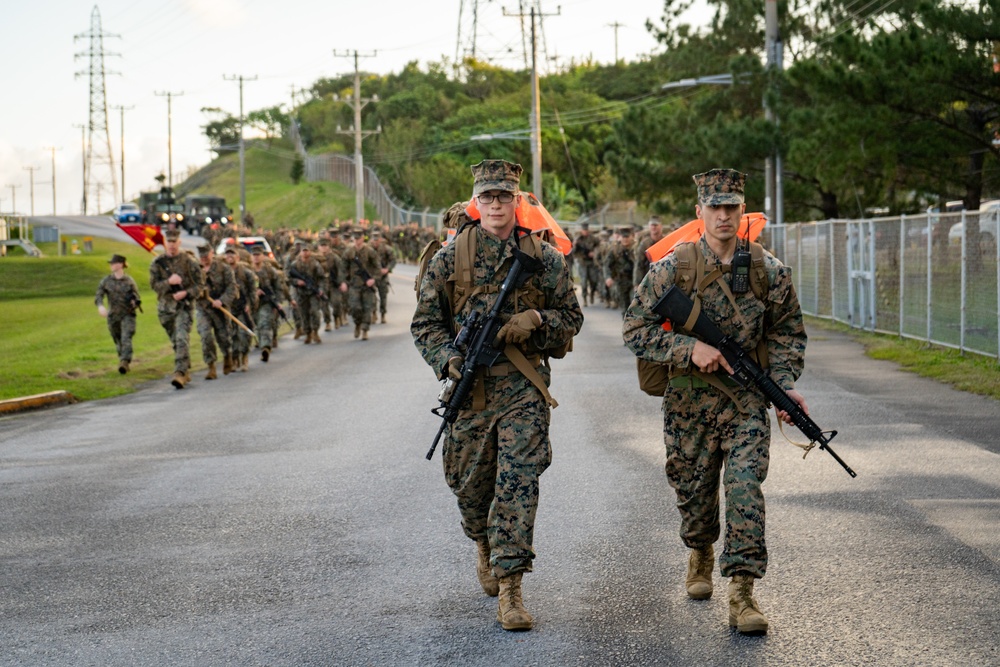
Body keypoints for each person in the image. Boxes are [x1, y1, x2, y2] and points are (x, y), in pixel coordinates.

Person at [623, 168, 807, 635]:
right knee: (694, 496)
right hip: (688, 405)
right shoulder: (674, 267)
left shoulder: (768, 270)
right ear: (699, 211)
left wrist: (783, 384)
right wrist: (689, 349)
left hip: (746, 403)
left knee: (745, 489)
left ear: (742, 211)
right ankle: (700, 549)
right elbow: (634, 328)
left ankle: (743, 594)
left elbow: (787, 333)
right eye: (715, 207)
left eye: (732, 207)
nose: (723, 215)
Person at [411, 159, 583, 632]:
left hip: (524, 387)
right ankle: (482, 542)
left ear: (517, 200)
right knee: (469, 488)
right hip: (470, 389)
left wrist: (539, 322)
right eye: (486, 197)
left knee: (518, 483)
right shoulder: (449, 257)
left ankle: (511, 589)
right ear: (476, 202)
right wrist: (447, 359)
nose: (495, 204)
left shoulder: (543, 258)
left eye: (503, 196)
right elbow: (424, 323)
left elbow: (571, 318)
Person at [149, 229, 204, 389]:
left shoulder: (189, 262)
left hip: (183, 308)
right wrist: (169, 282)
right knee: (176, 341)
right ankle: (185, 367)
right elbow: (154, 286)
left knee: (181, 339)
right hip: (165, 309)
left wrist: (185, 293)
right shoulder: (157, 263)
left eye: (175, 242)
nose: (172, 246)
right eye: (169, 242)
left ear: (179, 243)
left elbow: (200, 286)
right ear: (165, 243)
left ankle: (179, 373)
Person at [95, 253, 142, 374]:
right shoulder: (106, 280)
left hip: (128, 315)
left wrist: (134, 302)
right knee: (118, 339)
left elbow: (137, 298)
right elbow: (99, 294)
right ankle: (122, 357)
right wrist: (100, 306)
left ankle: (124, 362)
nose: (111, 265)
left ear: (121, 265)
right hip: (113, 316)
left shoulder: (129, 281)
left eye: (114, 263)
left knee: (126, 337)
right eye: (111, 263)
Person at [196, 244, 238, 378]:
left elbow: (232, 288)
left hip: (220, 309)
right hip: (203, 309)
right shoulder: (195, 270)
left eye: (206, 256)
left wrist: (222, 300)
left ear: (212, 253)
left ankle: (227, 356)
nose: (204, 259)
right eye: (201, 257)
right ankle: (211, 366)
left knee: (224, 338)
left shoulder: (223, 268)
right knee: (205, 335)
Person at [224, 246, 258, 372]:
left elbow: (252, 290)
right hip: (228, 307)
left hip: (243, 307)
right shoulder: (223, 273)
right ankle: (235, 359)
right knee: (231, 335)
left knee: (244, 333)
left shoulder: (246, 273)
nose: (230, 257)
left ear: (238, 257)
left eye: (232, 255)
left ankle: (244, 357)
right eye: (227, 255)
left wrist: (250, 304)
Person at [342, 230, 381, 340]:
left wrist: (373, 279)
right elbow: (343, 267)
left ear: (363, 238)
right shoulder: (349, 251)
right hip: (354, 285)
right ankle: (357, 324)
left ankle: (364, 330)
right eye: (355, 239)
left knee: (367, 308)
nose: (357, 241)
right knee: (355, 308)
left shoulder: (370, 251)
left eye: (359, 239)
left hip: (367, 285)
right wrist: (344, 281)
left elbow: (378, 267)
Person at [289, 243, 327, 344]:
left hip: (313, 293)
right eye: (303, 251)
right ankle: (308, 333)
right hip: (301, 293)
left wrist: (321, 289)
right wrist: (297, 282)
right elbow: (289, 278)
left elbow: (322, 278)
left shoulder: (315, 264)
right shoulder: (295, 264)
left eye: (307, 251)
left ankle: (315, 331)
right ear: (300, 252)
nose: (305, 253)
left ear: (310, 252)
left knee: (315, 312)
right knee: (304, 313)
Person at [603, 226, 636, 317]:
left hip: (635, 280)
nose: (625, 239)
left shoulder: (636, 248)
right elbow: (607, 264)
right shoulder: (615, 249)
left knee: (634, 304)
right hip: (621, 281)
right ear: (620, 237)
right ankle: (627, 327)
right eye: (623, 237)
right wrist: (608, 277)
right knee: (624, 306)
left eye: (627, 237)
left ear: (631, 236)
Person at [571, 222, 600, 306]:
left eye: (586, 230)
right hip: (582, 262)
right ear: (581, 230)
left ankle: (592, 293)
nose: (585, 231)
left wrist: (594, 253)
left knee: (593, 280)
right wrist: (575, 245)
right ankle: (584, 299)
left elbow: (599, 246)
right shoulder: (578, 239)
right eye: (584, 230)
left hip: (591, 262)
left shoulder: (593, 238)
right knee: (583, 282)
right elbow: (573, 251)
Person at [633, 215, 665, 288]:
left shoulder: (666, 241)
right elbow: (639, 264)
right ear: (649, 226)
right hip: (648, 280)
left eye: (656, 225)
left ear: (661, 226)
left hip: (663, 279)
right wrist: (637, 283)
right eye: (652, 225)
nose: (654, 227)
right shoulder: (644, 244)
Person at [372, 231, 397, 324]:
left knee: (383, 296)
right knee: (371, 297)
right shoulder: (369, 249)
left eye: (377, 240)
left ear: (380, 240)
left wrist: (387, 269)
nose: (375, 242)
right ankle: (373, 313)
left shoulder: (387, 249)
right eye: (373, 240)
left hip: (382, 277)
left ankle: (382, 314)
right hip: (372, 276)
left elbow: (393, 260)